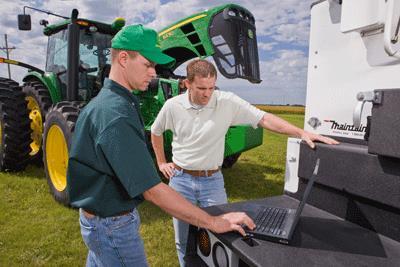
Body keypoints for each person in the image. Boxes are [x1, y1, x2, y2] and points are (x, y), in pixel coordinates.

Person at [66, 25, 255, 267]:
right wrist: (213, 222)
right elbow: (153, 190)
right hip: (111, 227)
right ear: (124, 58)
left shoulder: (110, 102)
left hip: (100, 222)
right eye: (148, 64)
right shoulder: (115, 114)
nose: (153, 73)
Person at [151, 59, 339, 266]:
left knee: (219, 236)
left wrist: (301, 132)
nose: (207, 94)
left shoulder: (227, 102)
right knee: (183, 240)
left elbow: (264, 118)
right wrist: (161, 163)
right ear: (187, 83)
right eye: (201, 88)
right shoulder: (172, 106)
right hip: (180, 180)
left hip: (211, 181)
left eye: (211, 87)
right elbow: (156, 131)